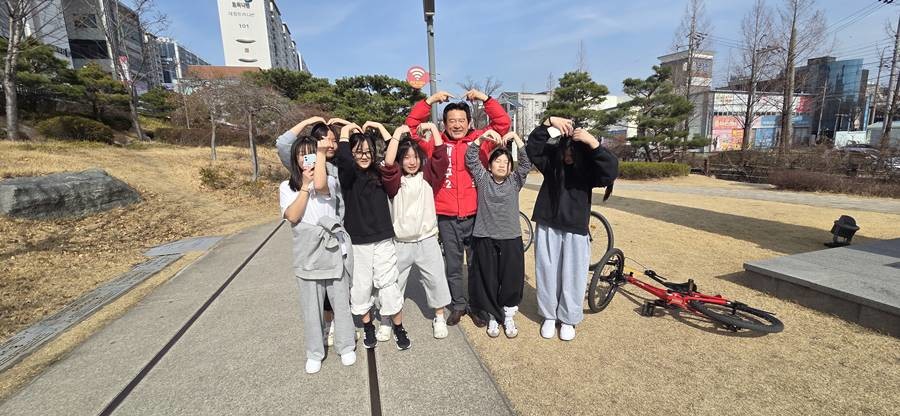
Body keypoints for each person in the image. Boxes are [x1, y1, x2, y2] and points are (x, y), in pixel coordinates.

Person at [405, 89, 511, 326]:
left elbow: (503, 123)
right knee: (452, 265)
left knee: (476, 264)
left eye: (461, 121)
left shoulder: (482, 141)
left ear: (469, 121)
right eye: (451, 121)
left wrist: (485, 99)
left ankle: (476, 305)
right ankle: (458, 305)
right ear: (443, 123)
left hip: (476, 215)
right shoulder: (435, 143)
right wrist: (430, 101)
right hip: (446, 215)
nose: (456, 125)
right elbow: (411, 128)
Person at [526, 117, 619, 341]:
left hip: (576, 226)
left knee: (574, 275)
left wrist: (594, 143)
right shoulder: (550, 163)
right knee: (547, 272)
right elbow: (532, 147)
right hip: (548, 222)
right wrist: (549, 123)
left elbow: (610, 171)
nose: (568, 154)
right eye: (566, 148)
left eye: (574, 150)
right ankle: (549, 315)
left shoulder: (589, 170)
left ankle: (568, 318)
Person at [279, 134, 356, 374]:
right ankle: (314, 351)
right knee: (310, 308)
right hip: (306, 254)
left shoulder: (330, 181)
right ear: (295, 158)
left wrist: (321, 156)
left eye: (312, 153)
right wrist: (303, 186)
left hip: (332, 250)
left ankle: (346, 346)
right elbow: (292, 216)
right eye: (302, 154)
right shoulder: (286, 187)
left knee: (340, 302)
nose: (307, 159)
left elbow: (321, 185)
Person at [334, 122, 410, 350]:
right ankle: (368, 326)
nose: (363, 156)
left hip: (383, 237)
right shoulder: (347, 176)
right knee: (361, 286)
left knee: (388, 283)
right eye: (358, 152)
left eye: (367, 151)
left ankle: (398, 327)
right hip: (358, 241)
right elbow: (344, 159)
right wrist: (346, 132)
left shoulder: (380, 172)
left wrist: (378, 127)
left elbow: (393, 156)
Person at [380, 122, 453, 339]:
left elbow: (441, 158)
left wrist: (433, 129)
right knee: (392, 281)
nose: (411, 162)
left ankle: (439, 317)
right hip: (401, 242)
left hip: (427, 239)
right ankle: (386, 319)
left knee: (436, 279)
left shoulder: (428, 178)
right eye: (406, 157)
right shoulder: (394, 181)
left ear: (421, 159)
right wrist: (396, 135)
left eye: (415, 157)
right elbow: (387, 164)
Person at [276, 116, 345, 347]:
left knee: (340, 290)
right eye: (324, 140)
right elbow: (284, 144)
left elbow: (357, 140)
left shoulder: (339, 164)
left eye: (333, 140)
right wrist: (310, 120)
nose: (330, 143)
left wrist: (345, 127)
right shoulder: (298, 174)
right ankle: (326, 329)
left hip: (340, 232)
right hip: (313, 241)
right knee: (320, 293)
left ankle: (338, 329)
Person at [465, 130, 531, 338]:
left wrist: (517, 139)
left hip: (511, 238)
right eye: (497, 161)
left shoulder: (514, 182)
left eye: (506, 162)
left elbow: (527, 164)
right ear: (490, 165)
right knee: (489, 278)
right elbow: (470, 158)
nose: (502, 164)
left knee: (511, 279)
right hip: (485, 237)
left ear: (510, 167)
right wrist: (482, 138)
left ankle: (508, 315)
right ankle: (493, 316)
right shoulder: (483, 179)